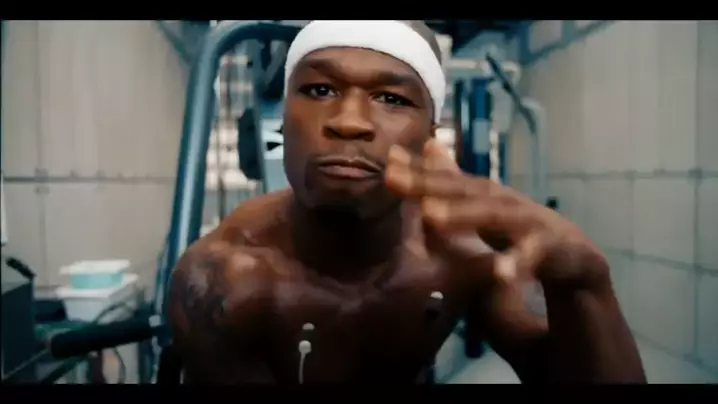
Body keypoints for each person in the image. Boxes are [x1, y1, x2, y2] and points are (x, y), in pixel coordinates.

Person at [167, 20, 646, 384]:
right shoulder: (226, 282)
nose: (349, 121)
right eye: (319, 89)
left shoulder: (460, 253)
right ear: (282, 123)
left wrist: (585, 284)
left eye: (391, 99)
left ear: (430, 136)